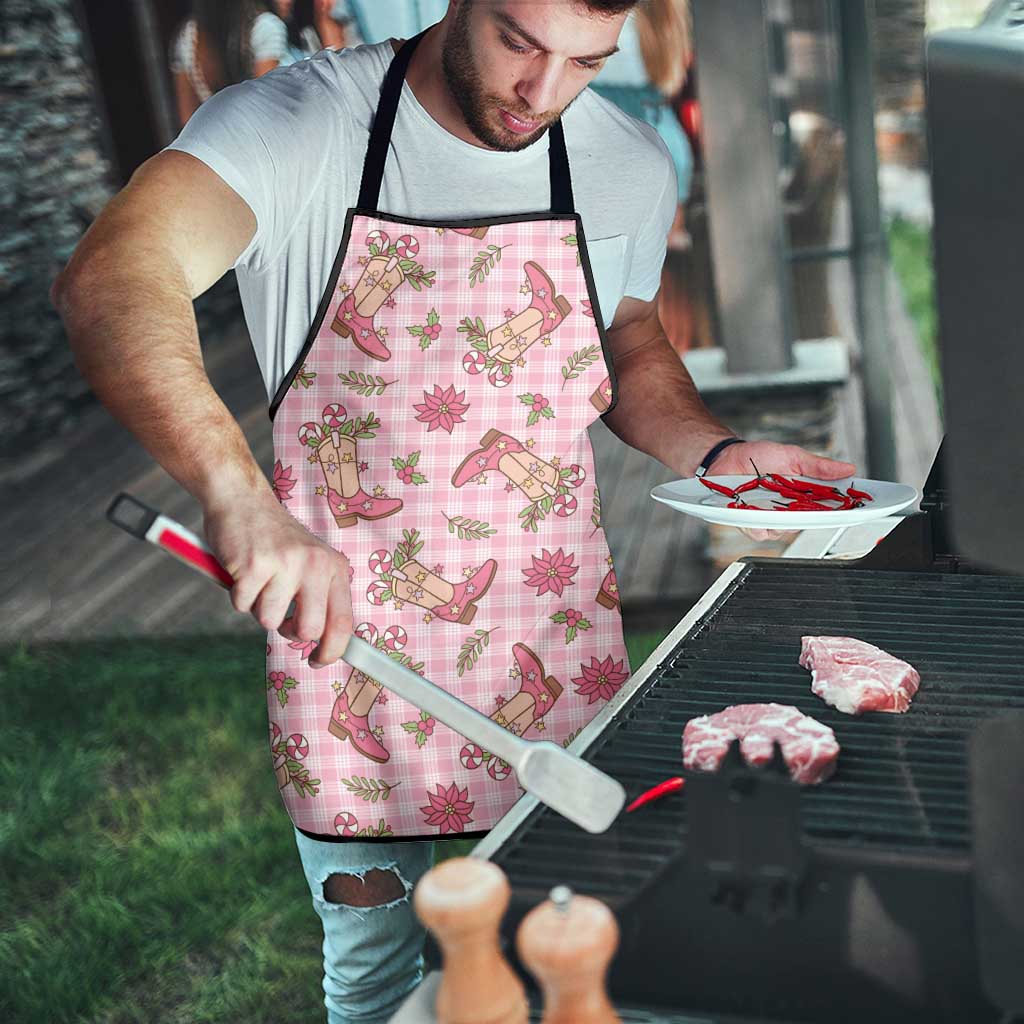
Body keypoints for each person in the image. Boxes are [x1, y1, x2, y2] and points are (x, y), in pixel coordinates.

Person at [52, 2, 856, 1020]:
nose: (543, 93)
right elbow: (114, 276)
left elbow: (627, 338)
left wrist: (716, 450)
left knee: (581, 954)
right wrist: (237, 495)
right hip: (351, 659)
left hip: (549, 640)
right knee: (378, 977)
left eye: (585, 62)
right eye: (520, 42)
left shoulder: (625, 161)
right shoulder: (299, 125)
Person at [169, 0, 289, 127]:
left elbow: (187, 120)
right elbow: (266, 107)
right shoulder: (265, 27)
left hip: (216, 135)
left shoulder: (188, 37)